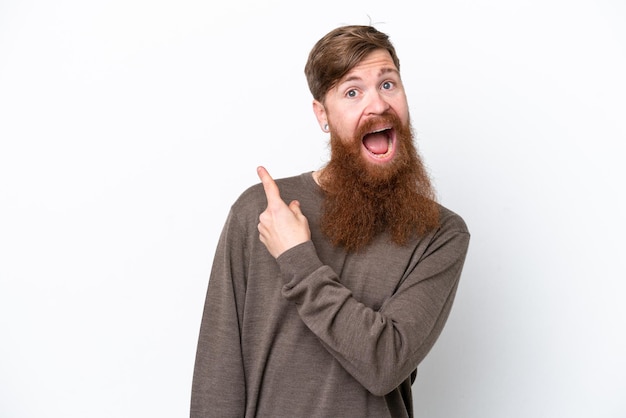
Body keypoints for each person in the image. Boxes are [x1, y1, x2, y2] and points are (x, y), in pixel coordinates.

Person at [190, 24, 470, 418]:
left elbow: (385, 364)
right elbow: (217, 376)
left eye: (388, 84)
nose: (378, 105)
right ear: (322, 114)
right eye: (352, 92)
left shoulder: (440, 234)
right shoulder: (261, 213)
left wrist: (297, 259)